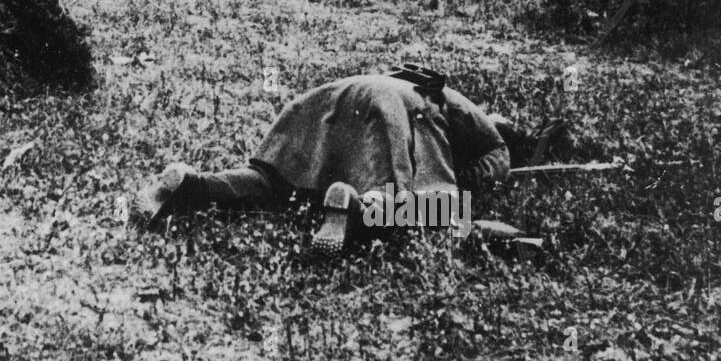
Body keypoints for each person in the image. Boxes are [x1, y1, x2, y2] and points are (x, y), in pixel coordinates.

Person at [137, 65, 512, 254]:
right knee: (423, 210)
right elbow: (492, 163)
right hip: (395, 109)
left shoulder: (414, 80)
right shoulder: (482, 128)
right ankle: (357, 207)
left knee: (273, 183)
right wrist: (456, 188)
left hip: (331, 98)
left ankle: (192, 184)